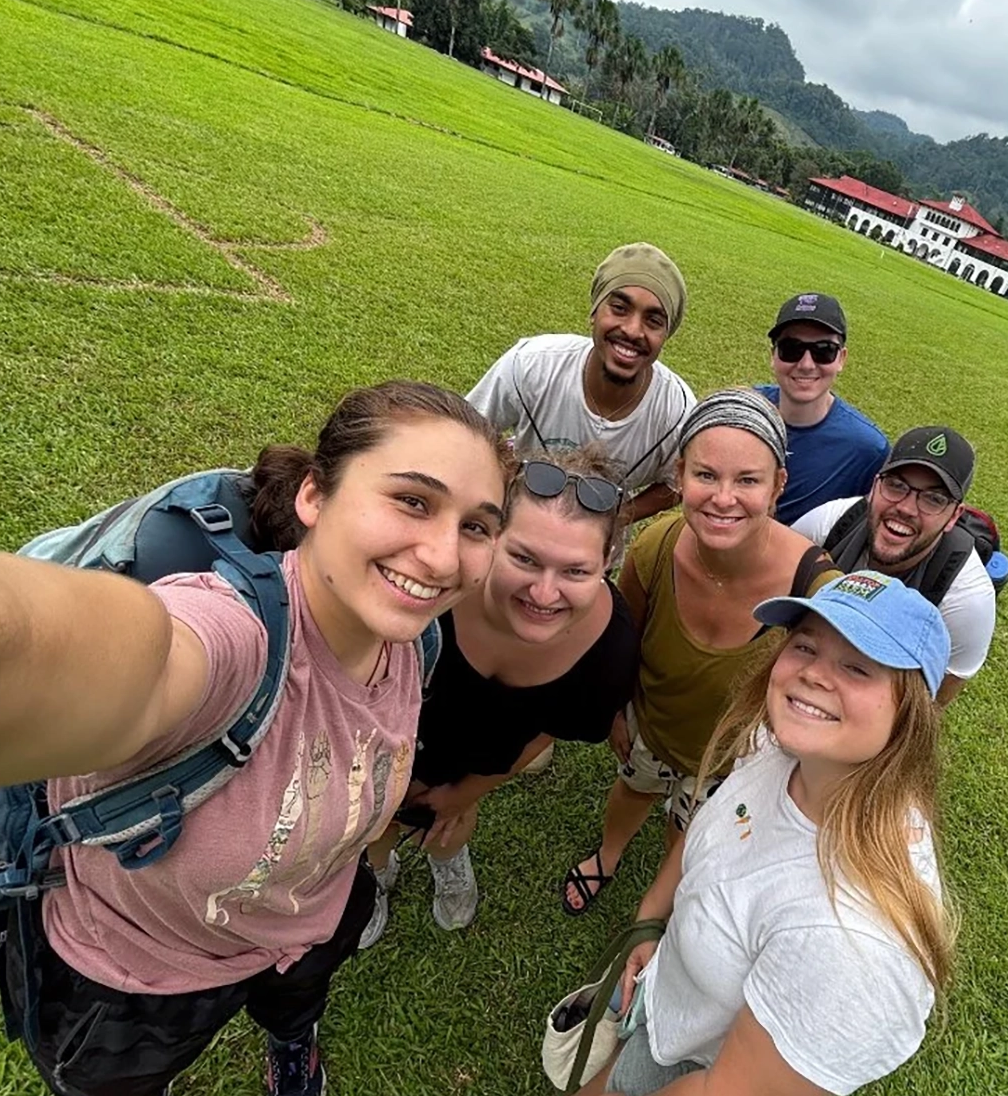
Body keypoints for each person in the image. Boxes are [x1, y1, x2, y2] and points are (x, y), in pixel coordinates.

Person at [0, 383, 509, 1096]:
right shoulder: (231, 637)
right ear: (314, 495)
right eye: (412, 501)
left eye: (477, 526)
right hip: (141, 969)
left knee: (298, 1000)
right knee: (118, 1080)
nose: (445, 556)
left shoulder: (414, 643)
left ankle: (292, 1042)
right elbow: (83, 657)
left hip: (309, 921)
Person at [508, 571, 956, 1096]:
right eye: (805, 644)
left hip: (700, 1074)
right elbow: (717, 824)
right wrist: (652, 919)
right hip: (679, 1005)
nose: (814, 674)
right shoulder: (783, 746)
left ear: (911, 712)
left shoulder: (856, 939)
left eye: (858, 667)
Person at [562, 389, 840, 915]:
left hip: (729, 761)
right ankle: (608, 853)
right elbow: (620, 640)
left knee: (688, 828)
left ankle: (665, 894)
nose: (723, 498)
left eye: (748, 480)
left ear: (778, 485)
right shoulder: (656, 547)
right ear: (679, 475)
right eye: (706, 475)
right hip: (651, 729)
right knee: (632, 792)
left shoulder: (814, 587)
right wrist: (616, 711)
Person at [359, 447, 640, 944]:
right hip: (382, 736)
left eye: (575, 572)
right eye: (524, 558)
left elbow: (549, 730)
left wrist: (466, 793)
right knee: (373, 822)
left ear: (607, 562)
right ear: (491, 536)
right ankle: (374, 878)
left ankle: (449, 862)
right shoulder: (432, 580)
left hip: (478, 754)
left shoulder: (610, 652)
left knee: (448, 824)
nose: (544, 594)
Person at [467, 242, 695, 526]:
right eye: (619, 308)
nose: (633, 330)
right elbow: (466, 433)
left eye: (654, 321)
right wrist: (501, 486)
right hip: (515, 524)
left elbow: (681, 481)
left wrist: (613, 520)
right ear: (594, 312)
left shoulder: (678, 413)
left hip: (597, 546)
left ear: (666, 335)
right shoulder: (531, 364)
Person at [791, 426, 995, 704]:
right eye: (896, 485)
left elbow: (933, 701)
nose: (906, 508)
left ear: (953, 516)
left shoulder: (966, 599)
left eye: (934, 499)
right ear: (875, 486)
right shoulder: (829, 524)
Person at [752, 292, 889, 524]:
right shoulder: (742, 411)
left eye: (824, 350)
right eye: (791, 348)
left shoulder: (867, 450)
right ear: (773, 355)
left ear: (841, 359)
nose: (806, 364)